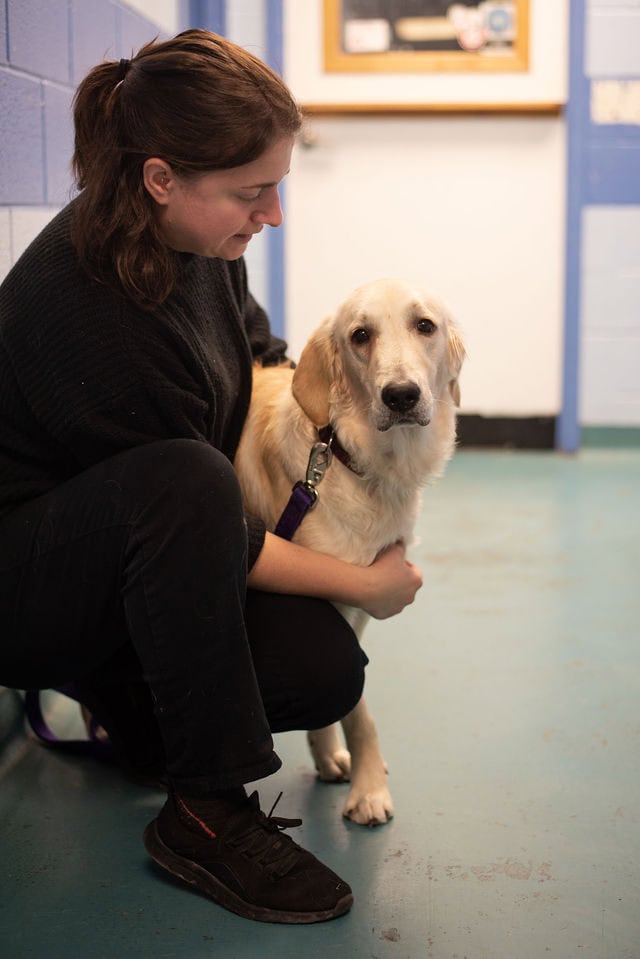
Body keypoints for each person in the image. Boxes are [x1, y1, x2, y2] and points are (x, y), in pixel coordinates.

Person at [0, 30, 422, 924]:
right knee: (191, 480)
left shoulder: (194, 243)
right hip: (28, 582)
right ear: (161, 178)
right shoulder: (96, 313)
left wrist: (352, 444)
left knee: (320, 668)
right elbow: (205, 526)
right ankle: (205, 809)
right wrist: (365, 582)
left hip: (121, 560)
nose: (271, 213)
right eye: (251, 191)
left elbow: (256, 356)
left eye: (277, 184)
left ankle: (139, 711)